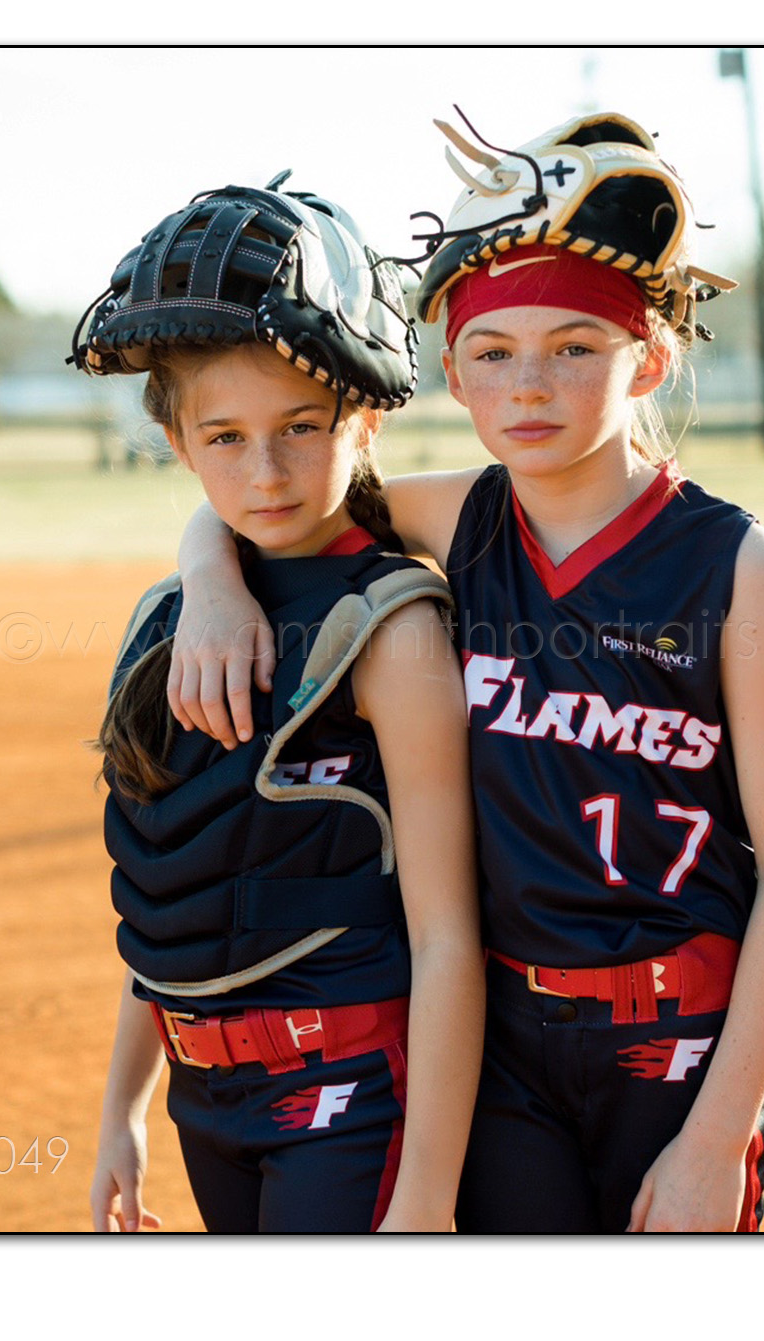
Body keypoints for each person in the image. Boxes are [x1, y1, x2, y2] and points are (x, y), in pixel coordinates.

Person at [167, 114, 764, 1233]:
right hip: (504, 1053)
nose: (528, 386)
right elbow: (262, 504)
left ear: (647, 360)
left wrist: (716, 1138)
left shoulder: (729, 560)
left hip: (675, 1043)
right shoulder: (462, 518)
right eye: (491, 353)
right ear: (453, 374)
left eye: (574, 347)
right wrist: (210, 580)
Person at [80, 176, 483, 1233]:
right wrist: (121, 1107)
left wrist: (426, 1196)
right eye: (223, 437)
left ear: (365, 420)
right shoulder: (166, 616)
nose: (265, 472)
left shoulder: (391, 626)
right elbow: (178, 885)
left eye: (302, 426)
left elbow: (447, 935)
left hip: (347, 1090)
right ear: (178, 444)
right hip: (200, 1096)